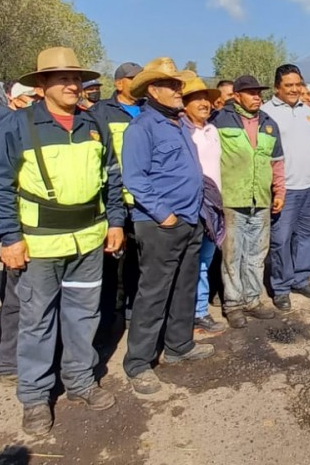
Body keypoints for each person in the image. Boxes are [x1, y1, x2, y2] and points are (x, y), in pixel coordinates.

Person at [0, 47, 125, 436]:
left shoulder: (92, 123)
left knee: (83, 316)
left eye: (76, 78)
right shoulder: (19, 125)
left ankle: (80, 382)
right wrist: (10, 238)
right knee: (37, 321)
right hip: (40, 244)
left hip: (88, 242)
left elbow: (112, 177)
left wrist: (115, 222)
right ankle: (34, 397)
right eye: (62, 78)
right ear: (42, 84)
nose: (72, 84)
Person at [122, 57, 213, 395]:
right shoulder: (142, 128)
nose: (179, 90)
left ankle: (178, 346)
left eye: (179, 85)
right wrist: (164, 214)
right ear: (153, 90)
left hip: (190, 220)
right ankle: (138, 363)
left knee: (183, 287)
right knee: (154, 292)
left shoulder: (177, 124)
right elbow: (134, 178)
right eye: (172, 85)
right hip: (161, 224)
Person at [210, 75, 284, 327]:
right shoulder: (219, 120)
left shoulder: (268, 123)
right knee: (233, 254)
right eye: (251, 93)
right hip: (231, 199)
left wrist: (280, 192)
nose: (257, 97)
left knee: (256, 253)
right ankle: (233, 304)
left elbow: (277, 163)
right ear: (237, 96)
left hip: (261, 199)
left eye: (258, 93)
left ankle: (252, 300)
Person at [0, 82, 38, 387]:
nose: (35, 102)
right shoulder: (5, 122)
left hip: (30, 221)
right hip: (18, 218)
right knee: (16, 295)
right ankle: (9, 361)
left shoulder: (32, 122)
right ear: (16, 101)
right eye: (31, 97)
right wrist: (8, 230)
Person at [261, 64, 310, 311]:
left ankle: (301, 278)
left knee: (308, 235)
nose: (295, 89)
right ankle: (281, 286)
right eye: (289, 85)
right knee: (281, 240)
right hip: (284, 189)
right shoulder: (266, 113)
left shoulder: (307, 111)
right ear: (277, 87)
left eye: (298, 84)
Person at [90, 62, 143, 335]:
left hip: (144, 202)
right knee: (111, 263)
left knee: (139, 260)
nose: (139, 83)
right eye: (134, 79)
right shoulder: (100, 113)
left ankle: (134, 312)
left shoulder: (148, 110)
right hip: (115, 200)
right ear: (119, 83)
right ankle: (108, 318)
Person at [180, 77, 227, 336]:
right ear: (184, 103)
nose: (204, 104)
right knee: (193, 262)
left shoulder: (212, 130)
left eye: (206, 99)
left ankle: (198, 310)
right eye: (196, 99)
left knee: (206, 259)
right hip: (193, 206)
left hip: (213, 206)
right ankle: (195, 313)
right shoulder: (182, 131)